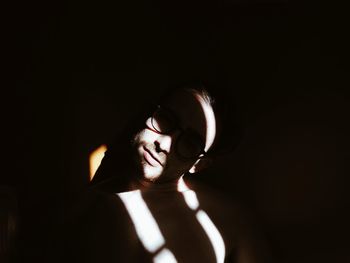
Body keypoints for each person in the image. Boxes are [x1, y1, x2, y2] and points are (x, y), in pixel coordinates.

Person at [63, 84, 270, 263]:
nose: (163, 144)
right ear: (149, 113)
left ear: (199, 164)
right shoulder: (87, 207)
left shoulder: (229, 221)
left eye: (189, 142)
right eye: (166, 120)